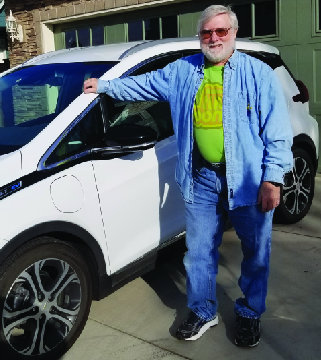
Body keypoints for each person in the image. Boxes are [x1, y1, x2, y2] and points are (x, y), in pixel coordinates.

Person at [83, 5, 293, 347]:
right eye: (207, 32)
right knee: (197, 252)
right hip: (202, 178)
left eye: (221, 31)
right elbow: (145, 85)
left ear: (233, 33)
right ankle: (203, 310)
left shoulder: (257, 74)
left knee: (256, 253)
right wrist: (104, 86)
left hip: (249, 181)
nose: (213, 38)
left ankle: (250, 313)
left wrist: (273, 179)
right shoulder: (183, 71)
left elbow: (278, 132)